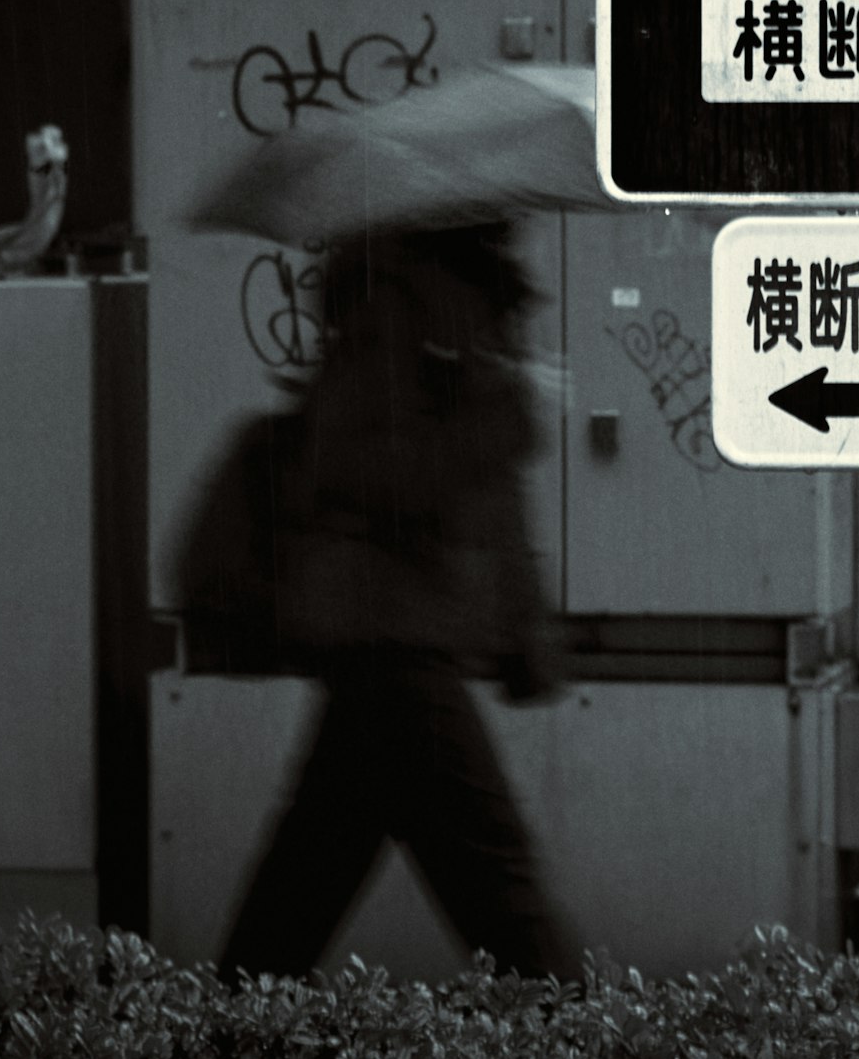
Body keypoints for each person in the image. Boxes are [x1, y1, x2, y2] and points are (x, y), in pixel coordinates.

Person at [217, 220, 584, 981]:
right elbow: (351, 466)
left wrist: (525, 631)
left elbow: (488, 501)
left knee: (287, 922)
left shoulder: (468, 305)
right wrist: (498, 425)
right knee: (513, 920)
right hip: (396, 657)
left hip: (397, 657)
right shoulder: (393, 306)